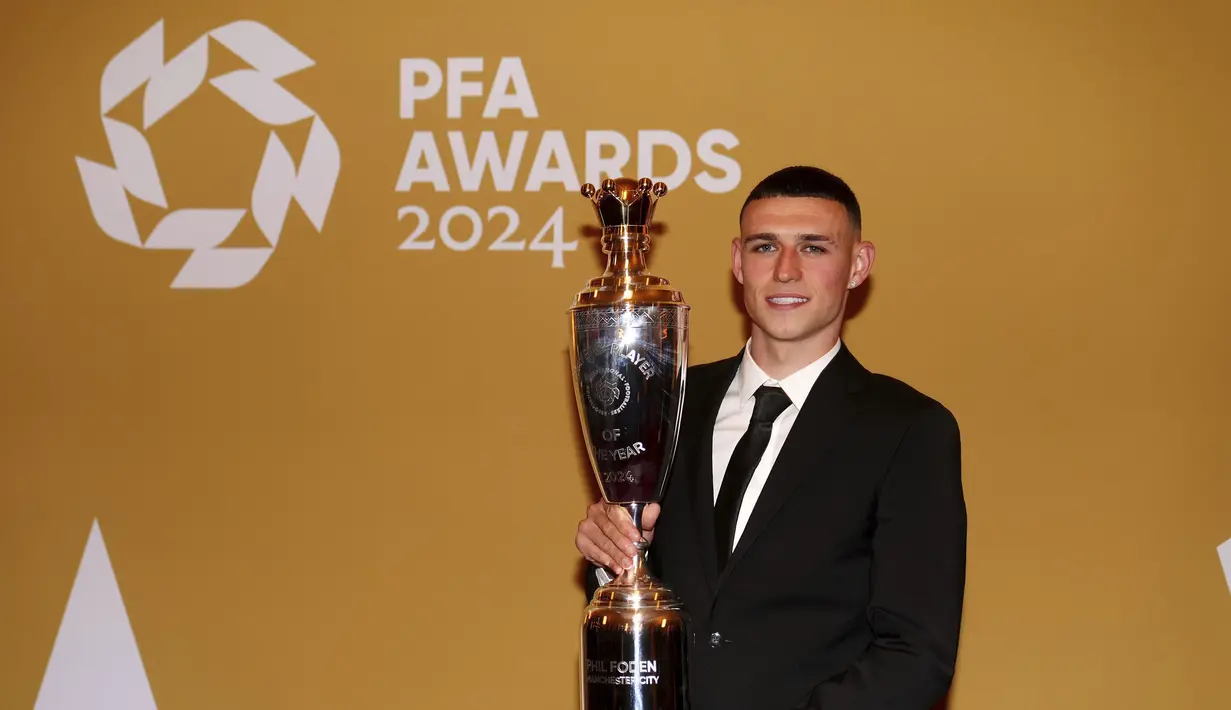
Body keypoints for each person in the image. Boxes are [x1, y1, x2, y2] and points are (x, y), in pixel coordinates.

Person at [574, 166, 967, 710]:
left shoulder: (907, 430)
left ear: (858, 265)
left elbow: (916, 654)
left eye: (813, 248)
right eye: (765, 247)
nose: (786, 271)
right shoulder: (667, 405)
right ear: (738, 262)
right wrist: (610, 554)